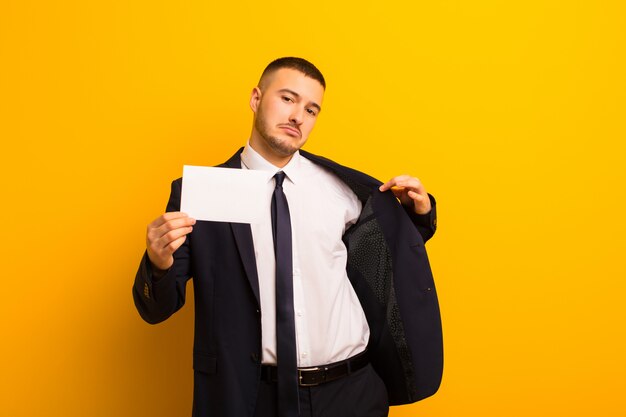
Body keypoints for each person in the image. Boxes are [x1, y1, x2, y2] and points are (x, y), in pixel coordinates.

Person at [133, 57, 443, 417]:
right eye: (288, 99)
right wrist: (158, 263)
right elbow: (157, 307)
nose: (298, 116)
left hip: (351, 392)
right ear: (256, 98)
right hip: (252, 398)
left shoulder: (343, 188)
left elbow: (386, 248)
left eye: (311, 109)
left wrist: (419, 212)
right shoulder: (203, 192)